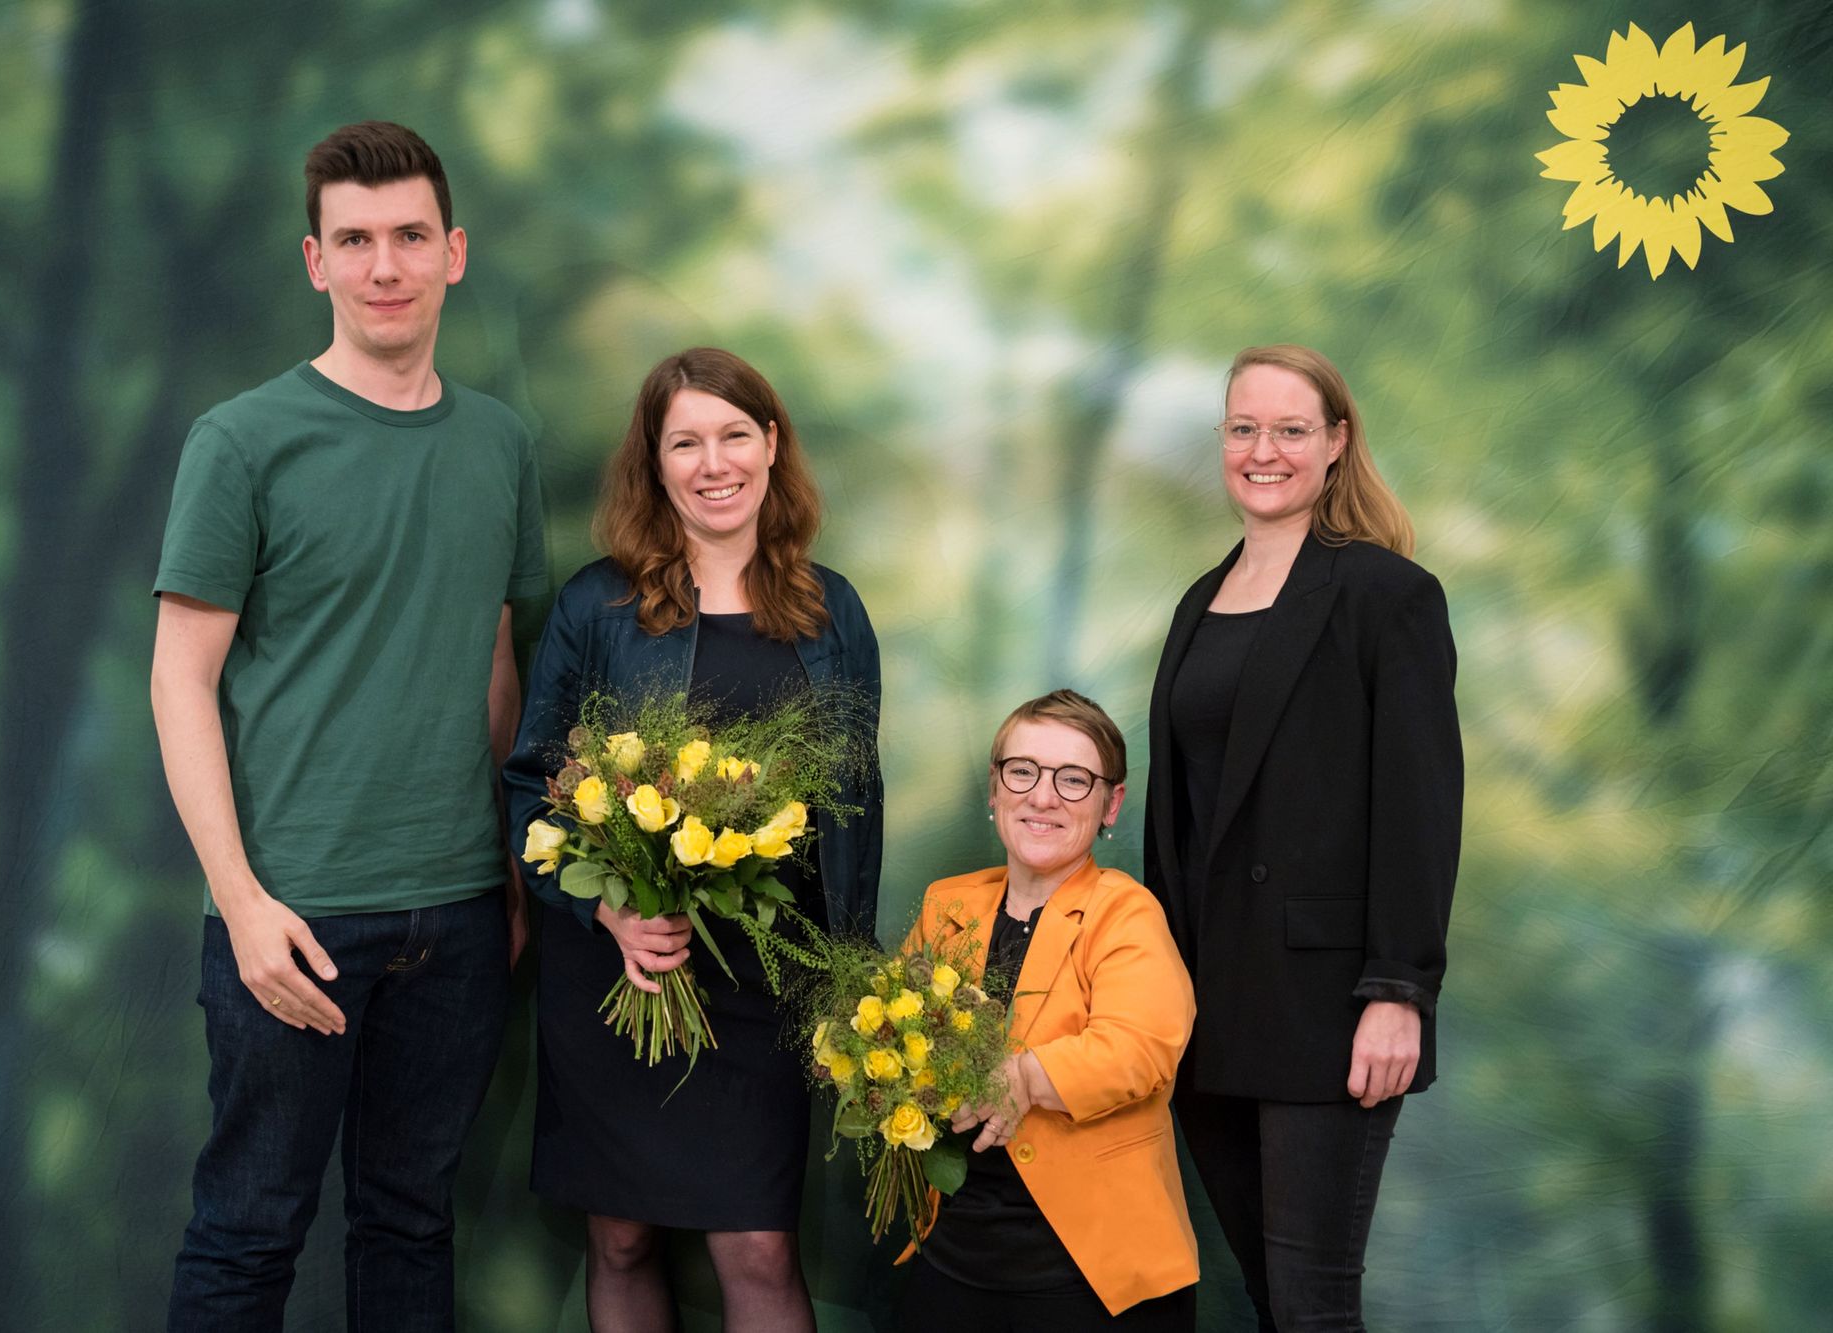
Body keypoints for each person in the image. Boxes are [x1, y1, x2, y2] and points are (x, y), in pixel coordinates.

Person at [151, 121, 546, 1330]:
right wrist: (243, 900)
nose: (386, 265)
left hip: (462, 915)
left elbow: (490, 657)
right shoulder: (242, 440)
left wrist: (516, 871)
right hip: (294, 915)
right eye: (356, 240)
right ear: (313, 261)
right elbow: (179, 681)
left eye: (410, 237)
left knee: (411, 1225)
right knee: (247, 1233)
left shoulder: (497, 441)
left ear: (454, 253)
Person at [502, 347, 883, 1332]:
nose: (712, 463)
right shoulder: (597, 605)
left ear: (769, 445)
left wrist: (845, 975)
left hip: (767, 977)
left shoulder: (832, 611)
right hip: (617, 968)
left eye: (731, 435)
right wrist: (609, 905)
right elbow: (529, 786)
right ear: (655, 462)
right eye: (685, 442)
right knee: (620, 1236)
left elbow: (853, 813)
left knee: (759, 1246)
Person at [1145, 344, 1461, 1330]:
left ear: (1333, 444)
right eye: (1242, 428)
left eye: (1289, 429)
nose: (1261, 449)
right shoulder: (1199, 600)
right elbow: (1180, 813)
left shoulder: (1382, 595)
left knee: (1312, 1303)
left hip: (1328, 1005)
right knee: (1268, 1298)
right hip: (1203, 1005)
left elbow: (1420, 805)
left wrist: (1397, 990)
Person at [897, 690, 1199, 1331]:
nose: (1043, 796)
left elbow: (1141, 1048)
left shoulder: (1127, 913)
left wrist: (1022, 1078)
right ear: (995, 788)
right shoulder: (945, 904)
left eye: (1074, 780)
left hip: (1086, 1273)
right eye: (1024, 771)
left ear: (1110, 804)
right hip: (951, 1251)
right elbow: (899, 1033)